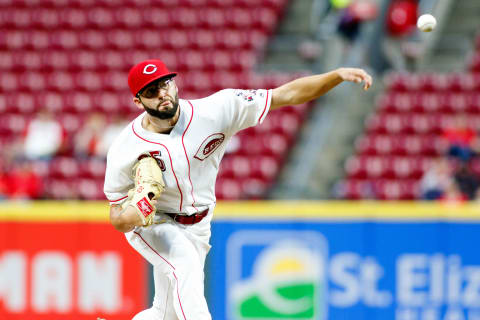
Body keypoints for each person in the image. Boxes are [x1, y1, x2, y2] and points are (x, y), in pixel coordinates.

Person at [103, 59, 372, 320]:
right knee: (184, 264)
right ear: (138, 101)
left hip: (199, 223)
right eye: (152, 91)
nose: (163, 93)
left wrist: (335, 76)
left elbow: (286, 94)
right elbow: (117, 217)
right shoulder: (124, 148)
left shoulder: (216, 110)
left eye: (166, 84)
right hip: (157, 221)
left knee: (166, 314)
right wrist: (135, 213)